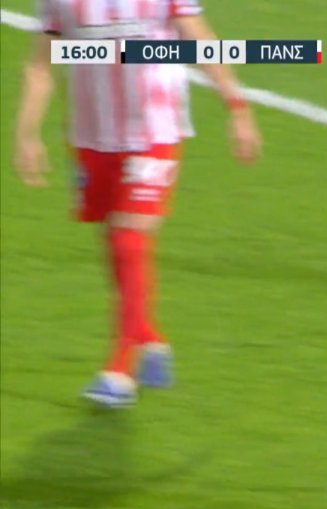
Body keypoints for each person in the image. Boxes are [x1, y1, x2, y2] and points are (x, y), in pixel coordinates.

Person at [13, 0, 261, 407]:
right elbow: (41, 62)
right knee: (116, 245)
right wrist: (27, 132)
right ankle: (149, 338)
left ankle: (120, 370)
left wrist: (237, 107)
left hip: (154, 128)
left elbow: (197, 36)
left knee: (129, 239)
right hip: (93, 133)